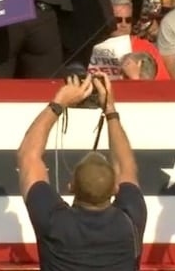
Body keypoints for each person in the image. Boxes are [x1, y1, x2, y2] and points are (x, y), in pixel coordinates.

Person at [17, 73, 146, 269]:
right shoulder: (130, 221)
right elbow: (125, 165)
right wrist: (110, 109)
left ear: (70, 187)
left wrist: (59, 102)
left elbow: (29, 156)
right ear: (116, 189)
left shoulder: (54, 222)